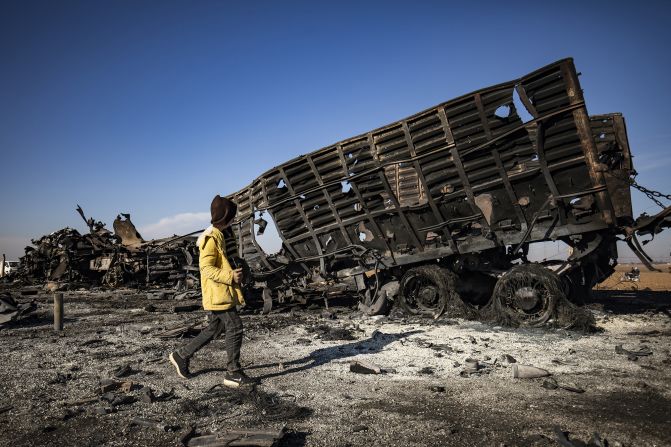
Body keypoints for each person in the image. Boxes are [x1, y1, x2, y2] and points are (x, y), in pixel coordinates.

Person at [169, 195, 255, 387]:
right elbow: (206, 268)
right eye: (232, 215)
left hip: (222, 291)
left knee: (214, 328)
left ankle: (181, 356)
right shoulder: (211, 237)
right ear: (226, 216)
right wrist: (230, 276)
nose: (234, 219)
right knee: (235, 326)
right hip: (218, 292)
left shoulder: (222, 233)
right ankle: (233, 372)